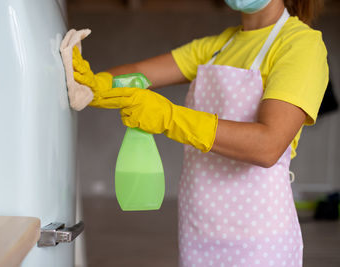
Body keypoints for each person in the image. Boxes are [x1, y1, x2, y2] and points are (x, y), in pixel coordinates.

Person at [72, 0, 328, 266]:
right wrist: (93, 84)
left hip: (257, 237)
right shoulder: (216, 47)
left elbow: (268, 145)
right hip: (199, 227)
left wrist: (169, 117)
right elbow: (136, 74)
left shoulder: (300, 45)